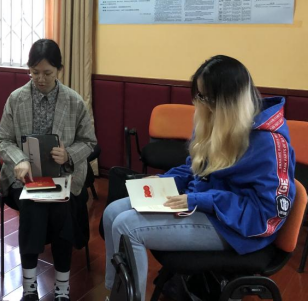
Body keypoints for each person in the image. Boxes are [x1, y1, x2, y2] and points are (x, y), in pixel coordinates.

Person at [103, 55, 297, 300]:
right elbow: (195, 168)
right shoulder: (217, 120)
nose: (200, 103)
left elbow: (266, 215)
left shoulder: (268, 143)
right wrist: (163, 182)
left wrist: (200, 200)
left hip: (238, 228)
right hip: (206, 207)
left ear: (227, 101)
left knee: (127, 226)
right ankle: (115, 293)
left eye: (205, 97)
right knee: (112, 213)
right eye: (199, 96)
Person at [0, 39, 97, 302]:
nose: (40, 79)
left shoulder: (73, 101)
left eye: (47, 73)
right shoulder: (16, 99)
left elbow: (89, 142)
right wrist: (18, 159)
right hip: (25, 178)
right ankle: (29, 287)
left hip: (62, 177)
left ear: (59, 70)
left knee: (62, 208)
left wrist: (68, 154)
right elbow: (2, 140)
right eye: (34, 72)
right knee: (32, 206)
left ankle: (62, 286)